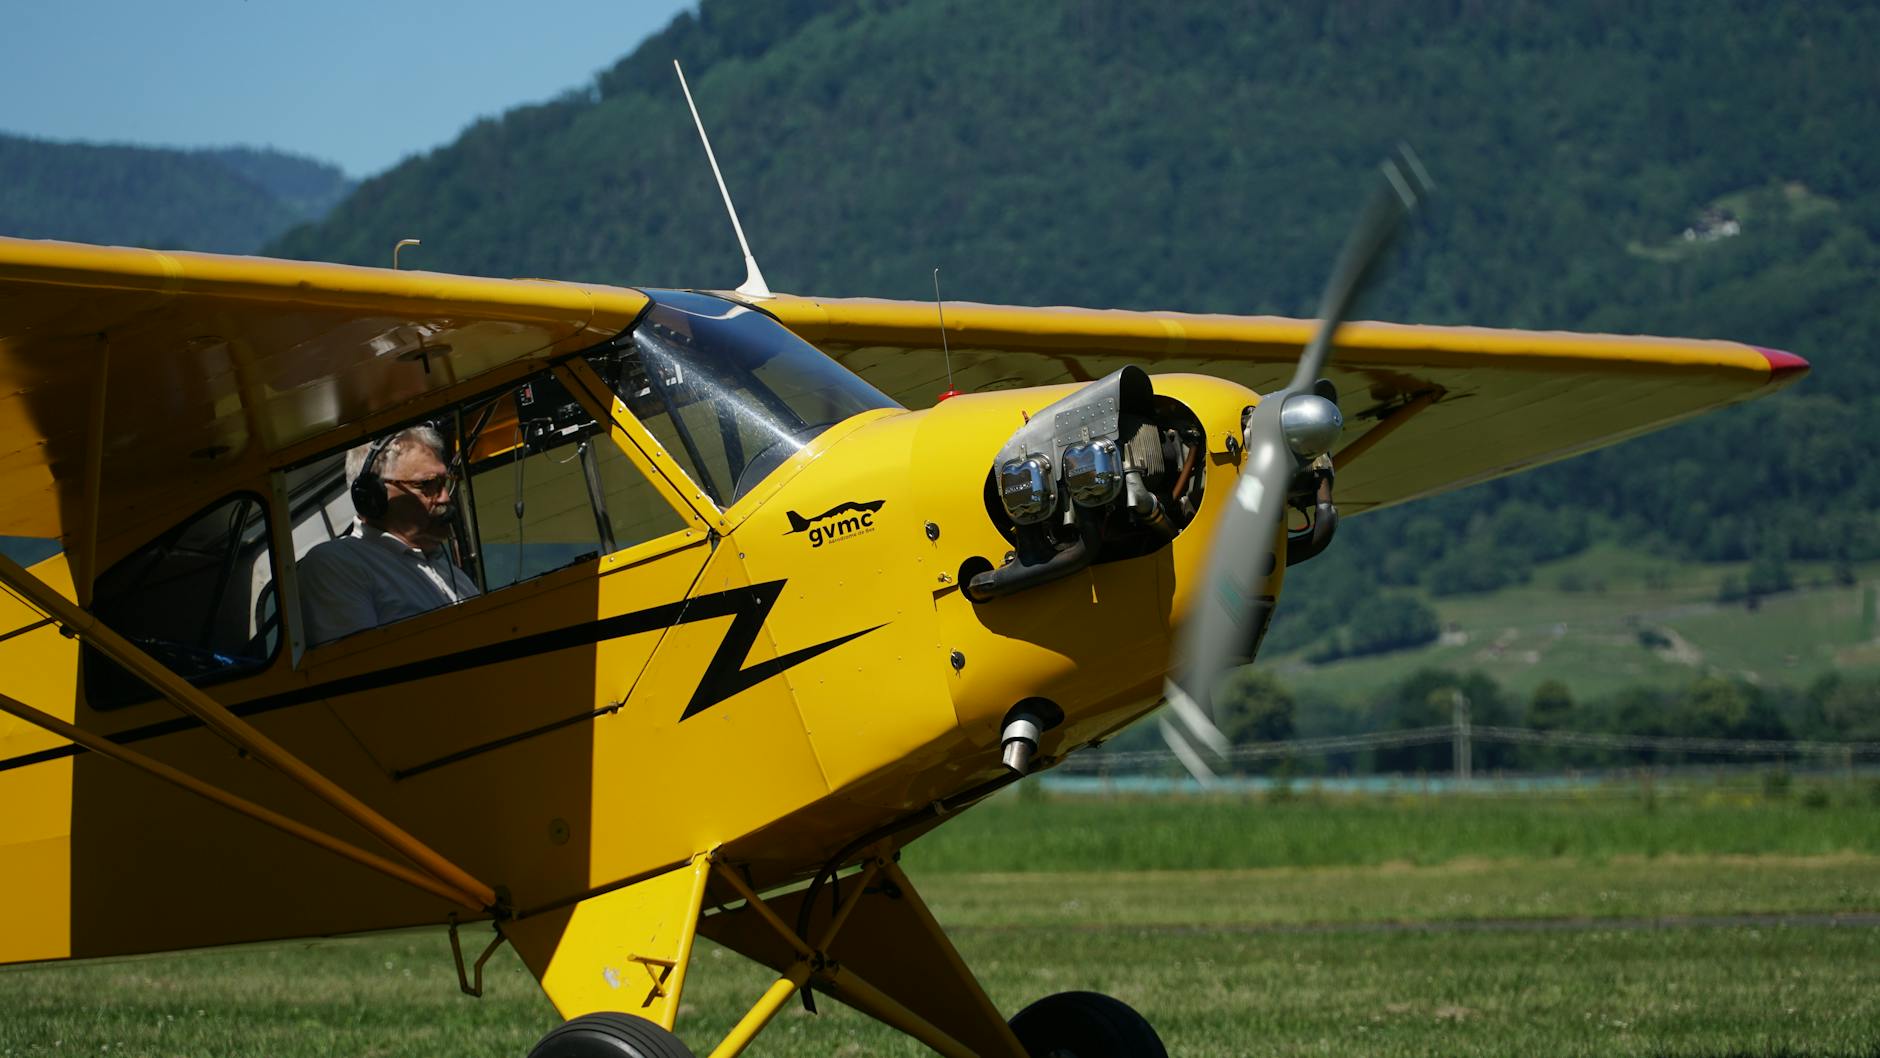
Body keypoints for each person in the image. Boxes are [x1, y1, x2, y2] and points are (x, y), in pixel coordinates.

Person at [298, 425, 480, 647]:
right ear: (374, 495)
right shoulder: (335, 564)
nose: (444, 498)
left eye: (444, 483)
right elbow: (359, 668)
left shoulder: (446, 570)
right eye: (426, 485)